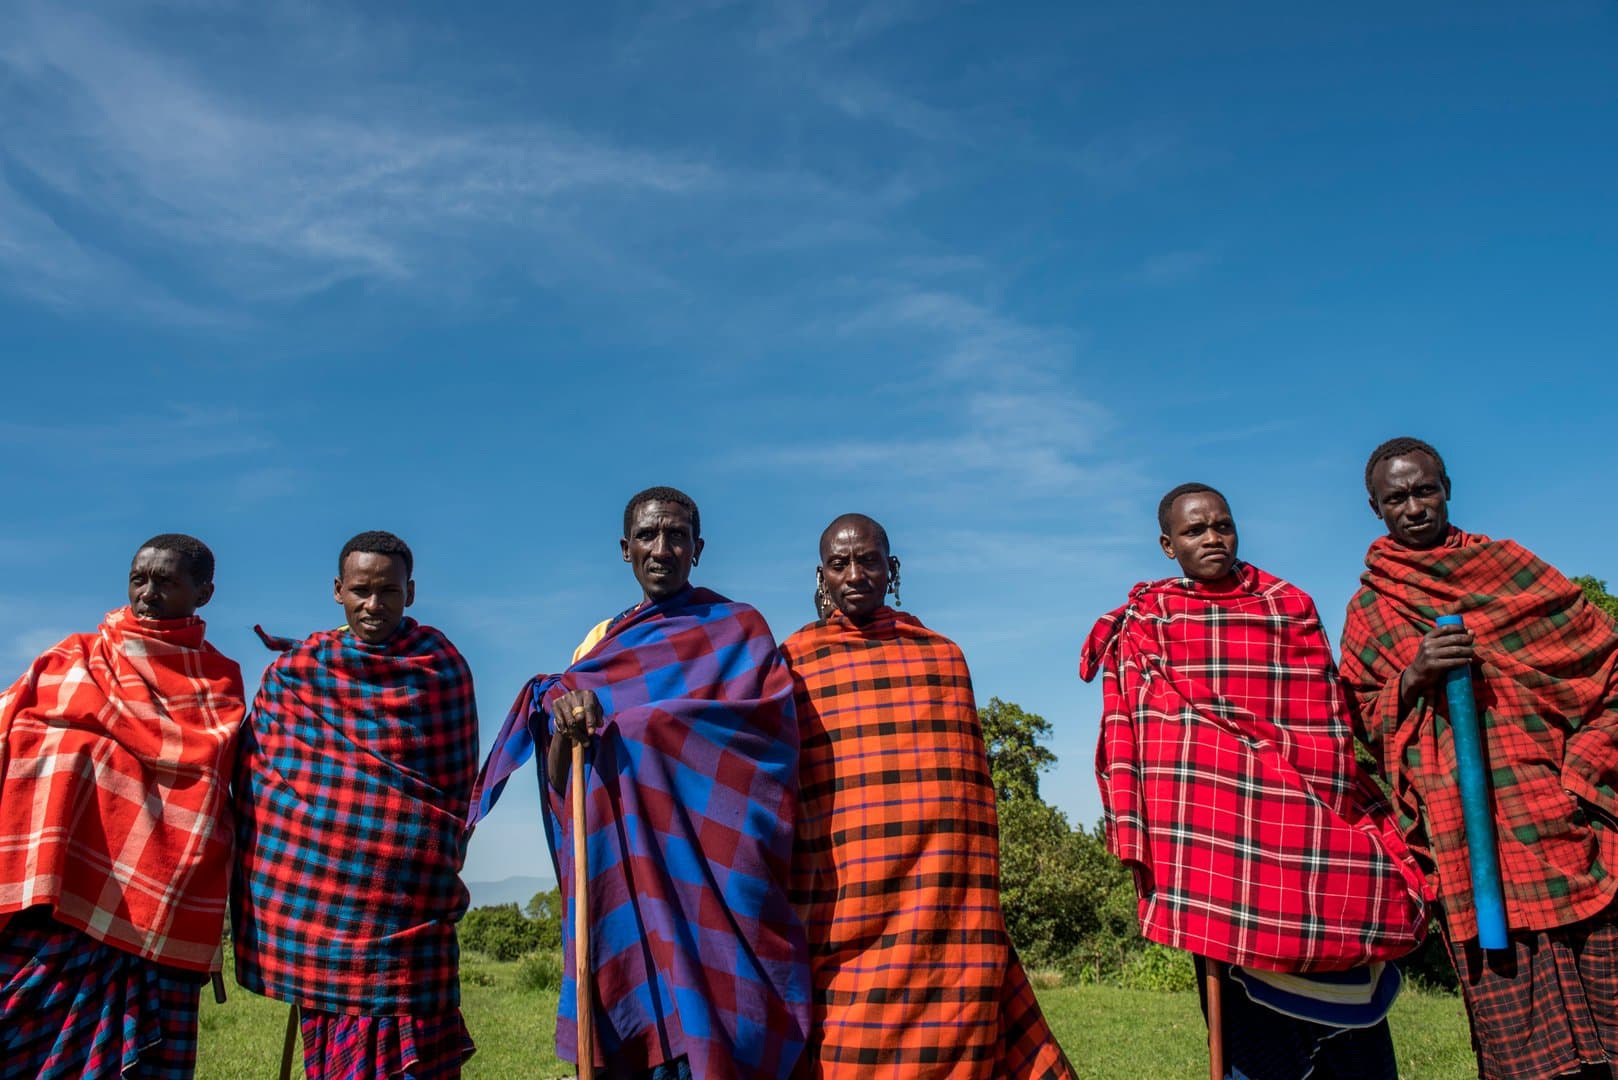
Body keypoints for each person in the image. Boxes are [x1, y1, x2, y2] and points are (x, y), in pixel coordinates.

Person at [1080, 485, 1427, 1080]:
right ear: (1168, 545)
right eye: (1195, 531)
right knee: (1252, 1041)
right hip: (1218, 852)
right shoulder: (1150, 620)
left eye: (1222, 526)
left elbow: (1326, 719)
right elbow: (1151, 741)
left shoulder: (1287, 605)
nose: (1212, 538)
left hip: (1309, 827)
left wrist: (1284, 779)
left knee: (1350, 1004)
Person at [470, 486, 809, 1079]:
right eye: (648, 536)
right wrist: (565, 724)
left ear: (698, 549)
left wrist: (650, 728)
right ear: (625, 550)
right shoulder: (598, 646)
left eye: (676, 535)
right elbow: (563, 781)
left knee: (732, 1031)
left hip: (717, 878)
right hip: (625, 882)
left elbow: (768, 744)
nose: (662, 548)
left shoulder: (739, 630)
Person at [1340, 437, 1618, 1080]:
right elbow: (1357, 722)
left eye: (1424, 490)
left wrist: (1580, 778)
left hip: (1558, 821)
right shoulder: (1371, 611)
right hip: (1465, 843)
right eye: (1395, 498)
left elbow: (1608, 669)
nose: (1413, 507)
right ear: (1374, 507)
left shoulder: (1513, 571)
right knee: (1519, 1031)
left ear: (1447, 487)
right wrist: (1412, 676)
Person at [782, 513, 1074, 1078]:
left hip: (942, 908)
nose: (855, 573)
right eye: (839, 564)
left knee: (954, 1037)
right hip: (843, 904)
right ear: (821, 576)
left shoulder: (941, 657)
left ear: (892, 570)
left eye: (868, 560)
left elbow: (963, 800)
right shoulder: (794, 662)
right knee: (841, 1049)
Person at [231, 530, 479, 1079]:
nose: (374, 604)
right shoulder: (298, 674)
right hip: (328, 912)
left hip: (411, 906)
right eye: (361, 590)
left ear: (410, 592)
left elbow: (459, 787)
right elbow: (260, 780)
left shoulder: (440, 667)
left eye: (388, 591)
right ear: (338, 590)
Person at [0, 534, 244, 1078]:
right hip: (55, 906)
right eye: (139, 578)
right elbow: (10, 733)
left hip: (155, 906)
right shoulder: (75, 657)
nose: (148, 592)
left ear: (203, 593)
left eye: (166, 581)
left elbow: (205, 781)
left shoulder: (219, 679)